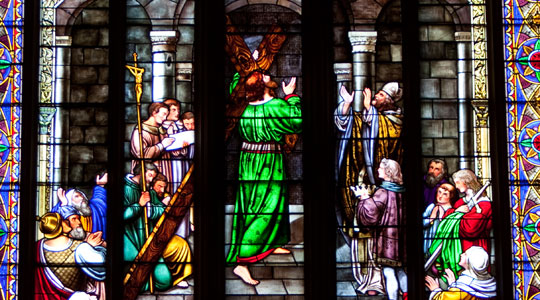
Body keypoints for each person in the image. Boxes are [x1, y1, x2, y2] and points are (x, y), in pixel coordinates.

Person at [226, 70, 302, 286]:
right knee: (266, 207)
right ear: (262, 85)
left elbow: (235, 88)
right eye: (264, 76)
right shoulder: (276, 106)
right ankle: (242, 260)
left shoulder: (242, 106)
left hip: (248, 160)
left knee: (263, 203)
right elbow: (297, 122)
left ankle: (271, 242)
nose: (269, 76)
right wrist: (291, 96)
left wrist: (242, 70)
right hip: (268, 159)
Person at [334, 82, 403, 236]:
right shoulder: (374, 117)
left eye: (381, 95)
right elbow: (353, 123)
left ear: (388, 101)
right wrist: (346, 104)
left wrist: (369, 110)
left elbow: (388, 135)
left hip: (384, 181)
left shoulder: (396, 122)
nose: (376, 97)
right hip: (364, 174)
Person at [124, 163, 192, 291]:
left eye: (152, 177)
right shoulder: (124, 188)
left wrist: (151, 208)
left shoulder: (147, 189)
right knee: (136, 279)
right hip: (130, 238)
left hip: (149, 237)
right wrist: (139, 205)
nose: (150, 180)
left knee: (164, 281)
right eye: (149, 176)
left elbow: (159, 209)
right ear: (141, 171)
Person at [351, 158, 407, 300]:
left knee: (388, 271)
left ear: (388, 172)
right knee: (400, 270)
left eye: (381, 168)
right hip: (401, 240)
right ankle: (408, 295)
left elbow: (371, 214)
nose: (378, 170)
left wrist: (363, 197)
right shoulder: (402, 191)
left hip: (388, 241)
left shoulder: (383, 192)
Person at [429, 170, 492, 281]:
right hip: (460, 250)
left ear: (466, 182)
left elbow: (470, 229)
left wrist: (456, 215)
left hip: (474, 248)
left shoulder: (484, 204)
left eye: (458, 182)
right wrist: (457, 212)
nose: (456, 186)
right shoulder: (461, 203)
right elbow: (447, 216)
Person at [35, 209, 106, 300]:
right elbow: (102, 268)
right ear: (58, 227)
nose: (66, 221)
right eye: (62, 220)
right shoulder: (80, 247)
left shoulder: (37, 247)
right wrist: (92, 247)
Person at [130, 102, 176, 192]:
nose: (165, 118)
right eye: (163, 114)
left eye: (166, 115)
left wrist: (173, 137)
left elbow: (170, 151)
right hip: (148, 174)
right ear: (154, 113)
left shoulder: (163, 131)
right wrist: (161, 145)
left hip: (164, 172)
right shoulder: (140, 131)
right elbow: (141, 155)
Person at [425, 246, 496, 300]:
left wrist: (435, 291)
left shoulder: (465, 288)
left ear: (470, 261)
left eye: (465, 254)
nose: (461, 254)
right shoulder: (488, 283)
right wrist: (453, 285)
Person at [52, 173, 108, 239]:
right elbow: (54, 220)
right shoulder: (65, 213)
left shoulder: (93, 208)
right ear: (70, 201)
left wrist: (100, 186)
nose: (82, 198)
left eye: (82, 196)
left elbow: (100, 201)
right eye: (76, 196)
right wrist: (64, 203)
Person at [423, 183, 457, 253]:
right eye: (439, 192)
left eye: (445, 194)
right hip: (429, 242)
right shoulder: (431, 207)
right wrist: (431, 218)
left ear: (451, 196)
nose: (440, 196)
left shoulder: (453, 211)